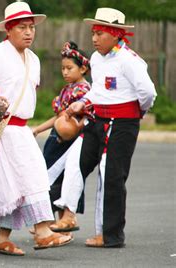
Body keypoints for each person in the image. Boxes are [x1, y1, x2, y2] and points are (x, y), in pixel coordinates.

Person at [0, 1, 72, 255]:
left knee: (17, 184)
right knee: (30, 177)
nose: (28, 32)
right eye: (22, 27)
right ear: (8, 30)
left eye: (31, 27)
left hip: (22, 130)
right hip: (2, 130)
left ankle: (3, 239)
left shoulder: (33, 60)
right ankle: (43, 232)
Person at [66, 8, 157, 248]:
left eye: (100, 33)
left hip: (122, 124)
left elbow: (147, 93)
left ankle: (110, 234)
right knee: (78, 164)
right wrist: (82, 102)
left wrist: (139, 112)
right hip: (98, 120)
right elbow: (97, 90)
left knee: (111, 176)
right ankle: (63, 217)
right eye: (93, 33)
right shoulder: (97, 58)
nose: (94, 39)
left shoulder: (129, 60)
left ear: (116, 34)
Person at [32, 41, 91, 232]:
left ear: (83, 68)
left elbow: (76, 119)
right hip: (56, 138)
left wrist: (41, 129)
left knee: (65, 177)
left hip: (70, 141)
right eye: (63, 68)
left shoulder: (84, 92)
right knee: (49, 176)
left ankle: (67, 217)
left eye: (69, 68)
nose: (65, 72)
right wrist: (39, 129)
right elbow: (59, 116)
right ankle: (56, 222)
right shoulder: (68, 89)